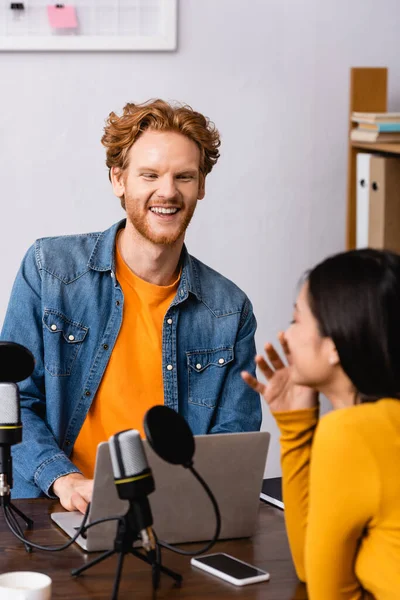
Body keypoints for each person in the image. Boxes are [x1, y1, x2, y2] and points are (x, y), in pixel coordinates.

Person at [1, 99, 261, 513]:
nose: (168, 191)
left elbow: (232, 440)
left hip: (171, 516)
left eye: (184, 177)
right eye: (150, 175)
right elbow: (11, 398)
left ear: (202, 186)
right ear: (118, 179)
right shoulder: (50, 270)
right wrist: (64, 480)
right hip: (53, 509)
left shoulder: (229, 311)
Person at [242, 248, 400, 600]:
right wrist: (295, 426)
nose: (288, 335)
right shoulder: (379, 424)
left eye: (297, 320)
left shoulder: (350, 434)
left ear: (334, 346)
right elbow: (311, 569)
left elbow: (328, 593)